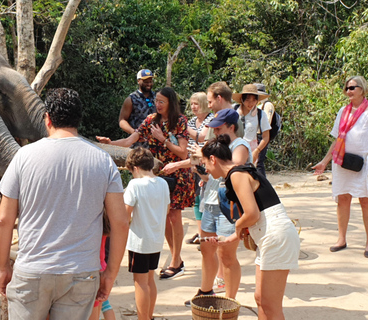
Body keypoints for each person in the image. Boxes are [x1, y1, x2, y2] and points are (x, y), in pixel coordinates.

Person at [0, 88, 129, 320]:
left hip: (32, 270)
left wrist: (3, 267)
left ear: (47, 118)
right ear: (78, 119)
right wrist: (110, 273)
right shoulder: (102, 160)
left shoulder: (24, 157)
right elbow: (120, 222)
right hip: (81, 274)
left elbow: (4, 220)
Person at [97, 86, 194, 280]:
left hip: (178, 174)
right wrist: (110, 143)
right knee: (166, 217)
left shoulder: (180, 121)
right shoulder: (150, 120)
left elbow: (183, 152)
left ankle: (175, 261)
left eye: (161, 102)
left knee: (174, 216)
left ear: (170, 103)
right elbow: (131, 140)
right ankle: (178, 258)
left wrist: (162, 139)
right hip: (158, 174)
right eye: (156, 101)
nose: (157, 105)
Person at [201, 134, 299, 320]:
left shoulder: (237, 175)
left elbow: (252, 214)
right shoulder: (240, 171)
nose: (205, 168)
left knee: (271, 306)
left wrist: (237, 224)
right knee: (260, 298)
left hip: (275, 234)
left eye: (205, 163)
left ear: (213, 159)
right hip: (268, 234)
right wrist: (231, 237)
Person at [185, 109, 252, 307]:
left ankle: (229, 301)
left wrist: (208, 154)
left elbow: (235, 170)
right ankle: (205, 292)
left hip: (228, 206)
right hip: (210, 202)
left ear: (231, 127)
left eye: (218, 128)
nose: (214, 131)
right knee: (207, 250)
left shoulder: (240, 145)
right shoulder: (215, 145)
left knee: (226, 255)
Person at [313, 76, 368, 258]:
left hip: (365, 163)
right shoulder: (343, 111)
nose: (348, 91)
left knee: (366, 201)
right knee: (343, 199)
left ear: (362, 89)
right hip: (342, 162)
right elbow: (337, 139)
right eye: (347, 88)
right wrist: (324, 161)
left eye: (352, 87)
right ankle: (341, 239)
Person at [124, 147, 171, 320]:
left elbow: (125, 215)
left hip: (139, 242)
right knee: (150, 280)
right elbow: (166, 210)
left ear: (135, 168)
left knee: (140, 283)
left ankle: (142, 318)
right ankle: (148, 316)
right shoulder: (163, 183)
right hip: (156, 241)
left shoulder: (134, 185)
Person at [185, 92, 214, 245]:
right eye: (192, 104)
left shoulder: (211, 119)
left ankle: (207, 232)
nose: (193, 107)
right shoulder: (191, 121)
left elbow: (201, 137)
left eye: (196, 103)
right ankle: (200, 233)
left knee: (206, 198)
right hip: (192, 162)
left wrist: (182, 126)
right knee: (197, 198)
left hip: (206, 162)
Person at [232, 84, 271, 166]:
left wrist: (257, 151)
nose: (251, 103)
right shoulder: (233, 111)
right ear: (242, 99)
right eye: (248, 100)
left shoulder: (260, 114)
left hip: (251, 151)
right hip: (233, 149)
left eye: (254, 100)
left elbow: (266, 136)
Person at [119, 69, 156, 147]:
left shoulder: (157, 97)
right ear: (139, 81)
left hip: (155, 144)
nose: (149, 84)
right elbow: (122, 121)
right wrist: (135, 133)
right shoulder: (131, 99)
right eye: (146, 81)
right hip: (137, 145)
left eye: (150, 81)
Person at [253, 83, 275, 177]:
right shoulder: (255, 105)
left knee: (259, 162)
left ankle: (262, 185)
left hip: (261, 135)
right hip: (253, 136)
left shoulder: (267, 105)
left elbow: (267, 123)